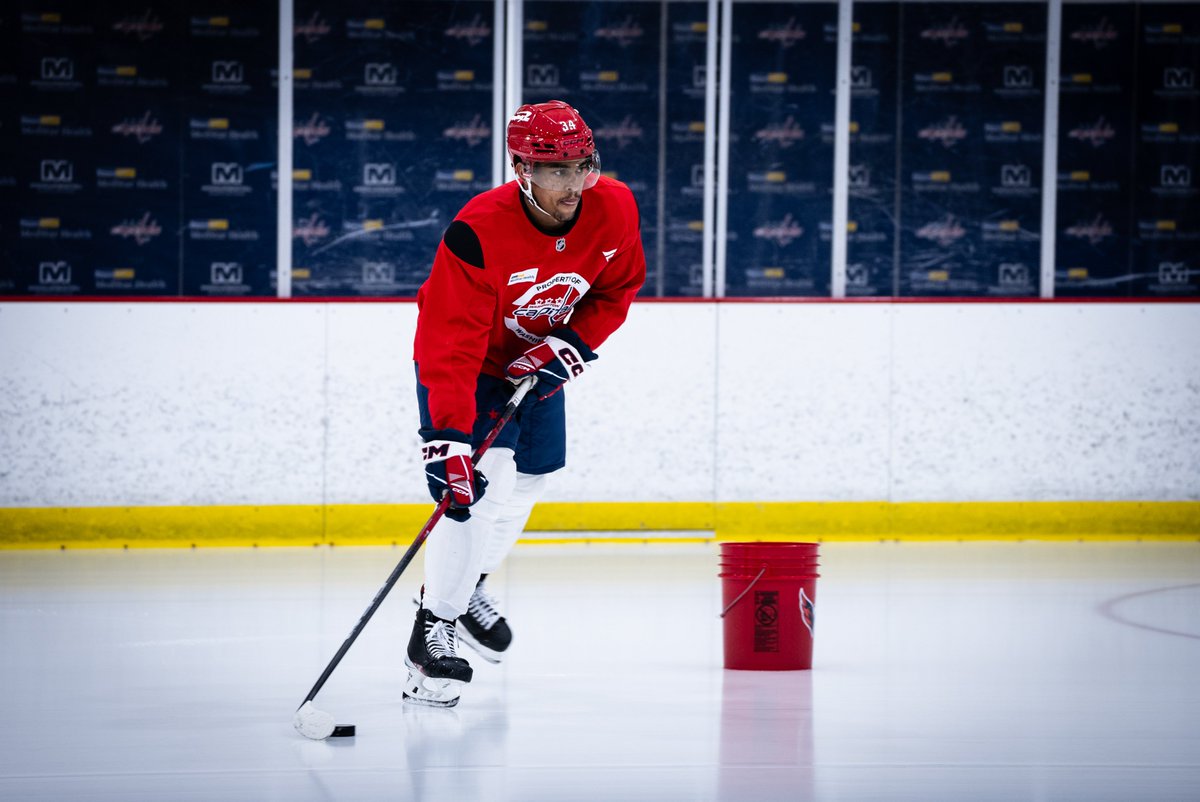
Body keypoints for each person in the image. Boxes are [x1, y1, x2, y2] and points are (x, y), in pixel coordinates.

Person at [405, 101, 646, 707]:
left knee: (531, 479)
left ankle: (468, 585)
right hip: (472, 367)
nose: (574, 184)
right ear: (522, 170)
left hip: (541, 360)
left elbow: (617, 289)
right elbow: (448, 342)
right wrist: (447, 436)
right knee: (477, 487)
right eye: (557, 170)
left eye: (582, 166)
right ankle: (432, 629)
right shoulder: (478, 230)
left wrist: (573, 344)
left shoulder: (615, 206)